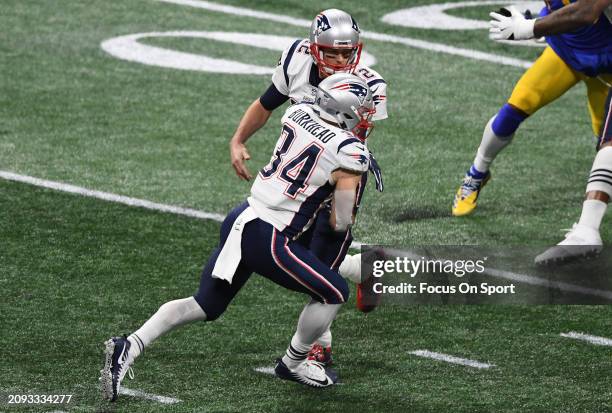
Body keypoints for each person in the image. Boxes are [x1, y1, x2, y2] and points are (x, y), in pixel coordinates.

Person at [100, 73, 376, 401]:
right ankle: (294, 361)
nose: (365, 116)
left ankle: (129, 345)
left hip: (242, 217)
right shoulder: (349, 150)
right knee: (333, 291)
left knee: (206, 304)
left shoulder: (298, 112)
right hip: (269, 236)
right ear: (346, 111)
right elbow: (342, 220)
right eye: (362, 110)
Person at [228, 8, 388, 364]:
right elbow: (267, 102)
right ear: (314, 49)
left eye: (348, 53)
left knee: (319, 267)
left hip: (339, 178)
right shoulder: (296, 61)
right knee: (303, 258)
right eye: (332, 52)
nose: (341, 60)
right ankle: (365, 268)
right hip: (297, 179)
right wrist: (238, 139)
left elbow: (350, 149)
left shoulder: (371, 85)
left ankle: (319, 346)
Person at [452, 0, 612, 234]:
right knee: (513, 110)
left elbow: (586, 11)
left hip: (607, 62)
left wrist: (530, 27)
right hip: (566, 52)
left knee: (606, 145)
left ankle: (587, 230)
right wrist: (545, 19)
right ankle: (476, 173)